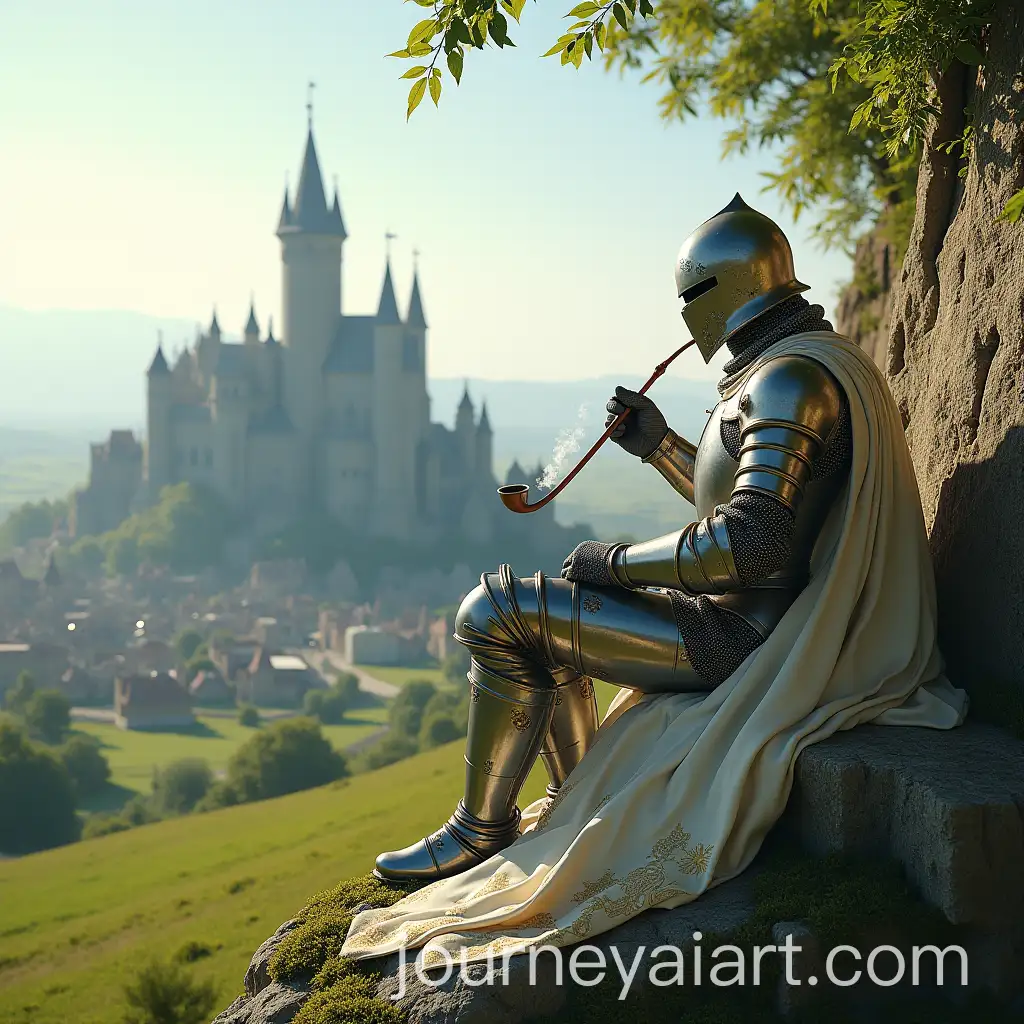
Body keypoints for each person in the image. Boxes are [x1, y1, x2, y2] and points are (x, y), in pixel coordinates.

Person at [343, 195, 965, 966]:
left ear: (723, 291)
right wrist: (661, 445)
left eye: (690, 299)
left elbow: (754, 540)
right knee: (545, 614)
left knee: (495, 610)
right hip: (751, 619)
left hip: (751, 642)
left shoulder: (788, 384)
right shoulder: (788, 369)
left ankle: (483, 829)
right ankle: (573, 804)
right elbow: (751, 513)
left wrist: (616, 562)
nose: (686, 319)